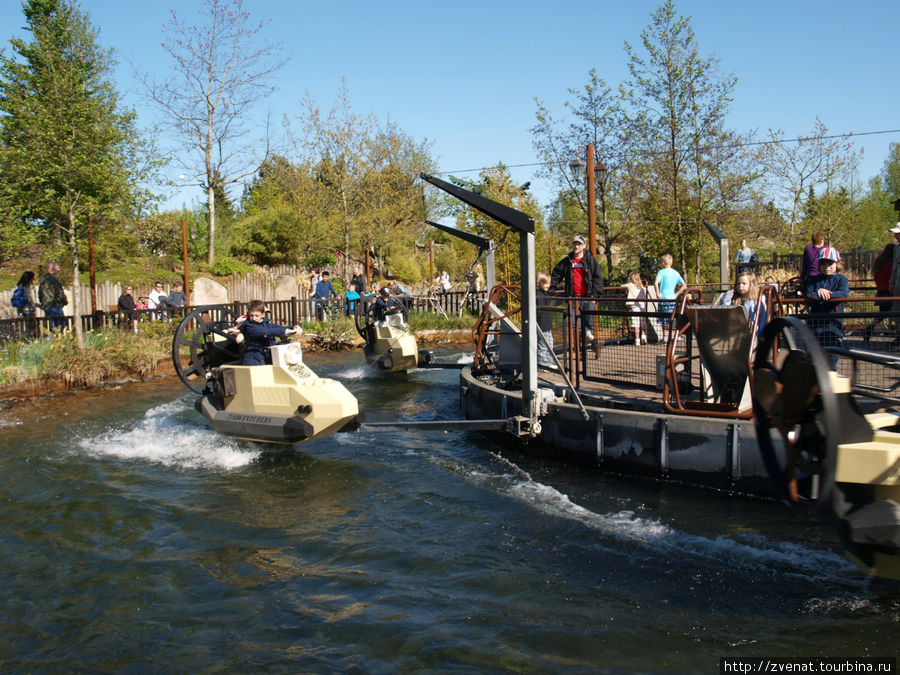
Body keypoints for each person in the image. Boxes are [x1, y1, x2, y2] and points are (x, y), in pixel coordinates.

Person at [550, 234, 604, 356]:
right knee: (575, 325)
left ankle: (589, 349)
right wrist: (550, 288)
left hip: (588, 297)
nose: (577, 246)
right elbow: (556, 275)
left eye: (579, 244)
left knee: (589, 324)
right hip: (572, 298)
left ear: (584, 246)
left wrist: (595, 296)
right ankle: (592, 344)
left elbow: (598, 278)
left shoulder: (590, 260)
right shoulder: (567, 261)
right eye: (575, 243)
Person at [805, 246, 848, 371]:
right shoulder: (813, 280)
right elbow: (809, 293)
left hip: (833, 327)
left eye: (830, 263)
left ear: (837, 264)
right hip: (815, 326)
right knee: (812, 360)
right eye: (823, 263)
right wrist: (819, 292)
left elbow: (843, 293)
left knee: (832, 361)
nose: (827, 266)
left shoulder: (842, 279)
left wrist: (827, 294)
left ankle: (830, 387)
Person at [234, 299, 301, 366]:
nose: (254, 318)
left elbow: (277, 327)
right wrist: (286, 331)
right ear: (248, 314)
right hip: (253, 360)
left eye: (256, 315)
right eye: (251, 315)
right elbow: (267, 331)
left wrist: (294, 327)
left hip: (266, 357)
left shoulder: (266, 323)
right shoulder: (249, 326)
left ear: (262, 314)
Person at [865, 234, 896, 340]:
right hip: (890, 290)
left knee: (882, 313)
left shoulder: (878, 261)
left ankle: (871, 326)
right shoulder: (891, 262)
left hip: (881, 290)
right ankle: (893, 330)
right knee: (894, 311)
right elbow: (891, 275)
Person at [653, 254, 685, 342]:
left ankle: (665, 336)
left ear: (663, 263)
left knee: (663, 318)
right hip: (672, 298)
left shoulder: (661, 272)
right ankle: (674, 336)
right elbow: (684, 286)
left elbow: (656, 283)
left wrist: (658, 293)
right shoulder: (675, 273)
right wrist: (676, 294)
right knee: (673, 317)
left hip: (663, 298)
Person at [536, 272, 557, 369]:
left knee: (548, 343)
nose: (547, 285)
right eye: (545, 283)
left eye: (548, 283)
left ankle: (546, 362)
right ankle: (542, 363)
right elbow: (540, 309)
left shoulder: (544, 294)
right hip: (542, 323)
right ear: (539, 283)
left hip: (545, 323)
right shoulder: (540, 295)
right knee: (544, 344)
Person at [38, 261, 67, 331]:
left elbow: (40, 293)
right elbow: (59, 292)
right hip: (55, 305)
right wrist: (64, 301)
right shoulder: (53, 280)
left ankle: (51, 340)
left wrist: (43, 303)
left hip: (47, 305)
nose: (59, 269)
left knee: (50, 325)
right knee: (61, 325)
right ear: (53, 268)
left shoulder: (43, 280)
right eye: (58, 267)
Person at [624, 271, 647, 346]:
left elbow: (622, 286)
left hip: (634, 308)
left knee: (636, 324)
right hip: (642, 307)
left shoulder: (630, 285)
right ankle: (644, 335)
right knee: (643, 323)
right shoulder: (643, 288)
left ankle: (637, 340)